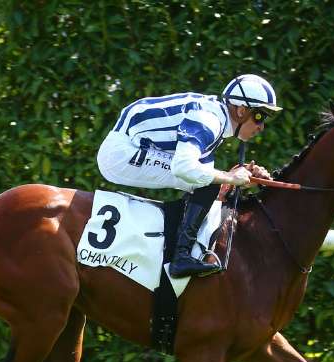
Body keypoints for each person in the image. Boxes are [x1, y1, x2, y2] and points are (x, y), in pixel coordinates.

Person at [97, 74, 282, 278]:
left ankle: (179, 252)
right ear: (241, 110)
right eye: (259, 116)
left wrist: (241, 175)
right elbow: (185, 168)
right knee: (205, 182)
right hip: (121, 153)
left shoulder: (217, 119)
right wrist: (231, 178)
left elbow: (211, 184)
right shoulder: (209, 120)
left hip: (131, 145)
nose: (261, 126)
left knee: (207, 183)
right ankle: (181, 258)